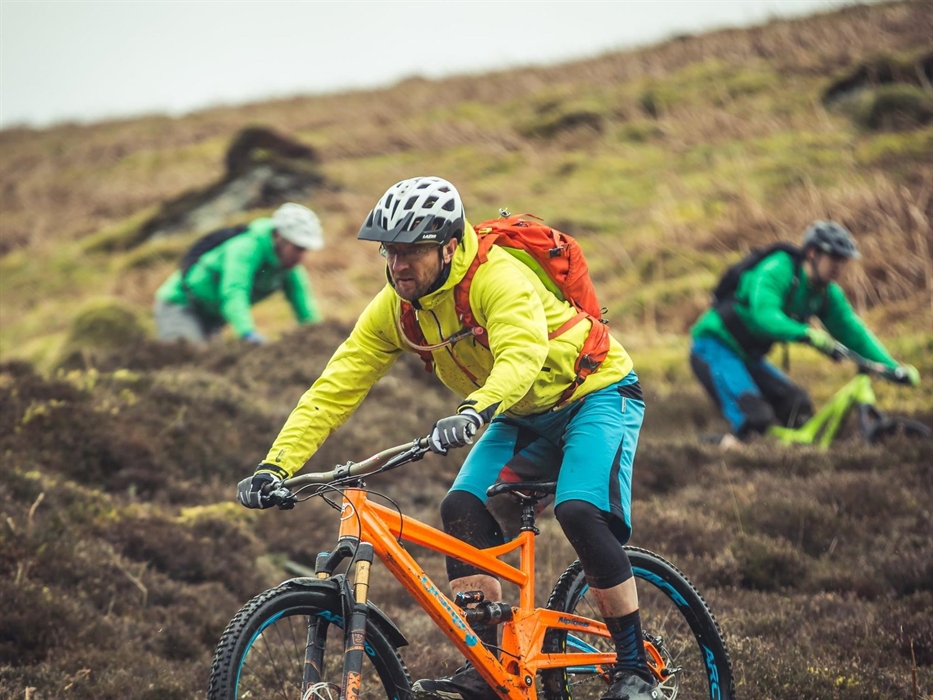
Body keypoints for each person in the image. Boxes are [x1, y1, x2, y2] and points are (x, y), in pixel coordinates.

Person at [236, 177, 659, 700]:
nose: (398, 266)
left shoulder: (496, 278)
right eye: (390, 252)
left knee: (578, 510)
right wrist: (275, 466)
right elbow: (335, 387)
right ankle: (490, 665)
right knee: (461, 507)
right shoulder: (396, 308)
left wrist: (475, 409)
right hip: (516, 410)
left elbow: (521, 354)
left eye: (412, 251)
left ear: (450, 246)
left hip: (594, 393)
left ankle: (636, 669)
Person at [690, 220, 920, 447]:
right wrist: (806, 333)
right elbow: (765, 314)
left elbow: (854, 333)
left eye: (844, 260)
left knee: (797, 405)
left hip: (749, 357)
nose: (839, 267)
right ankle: (715, 457)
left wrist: (893, 368)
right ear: (812, 253)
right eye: (834, 259)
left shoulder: (825, 294)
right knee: (755, 418)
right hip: (713, 347)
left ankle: (786, 462)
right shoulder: (778, 268)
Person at [153, 203, 324, 344]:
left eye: (306, 250)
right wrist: (247, 333)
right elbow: (234, 291)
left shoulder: (289, 267)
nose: (302, 256)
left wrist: (319, 339)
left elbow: (303, 304)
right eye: (298, 248)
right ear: (280, 237)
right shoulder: (246, 248)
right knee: (188, 361)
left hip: (213, 318)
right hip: (181, 306)